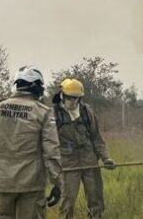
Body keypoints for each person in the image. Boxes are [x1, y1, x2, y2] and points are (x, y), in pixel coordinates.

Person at [0, 66, 64, 219]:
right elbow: (52, 151)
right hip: (31, 186)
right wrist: (57, 183)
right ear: (36, 86)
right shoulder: (43, 112)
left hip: (2, 184)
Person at [52, 78, 115, 219]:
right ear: (62, 95)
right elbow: (48, 143)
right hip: (68, 164)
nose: (72, 101)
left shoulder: (87, 112)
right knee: (67, 202)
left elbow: (97, 138)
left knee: (96, 200)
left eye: (76, 98)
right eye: (69, 97)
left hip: (89, 161)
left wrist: (106, 158)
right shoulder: (53, 114)